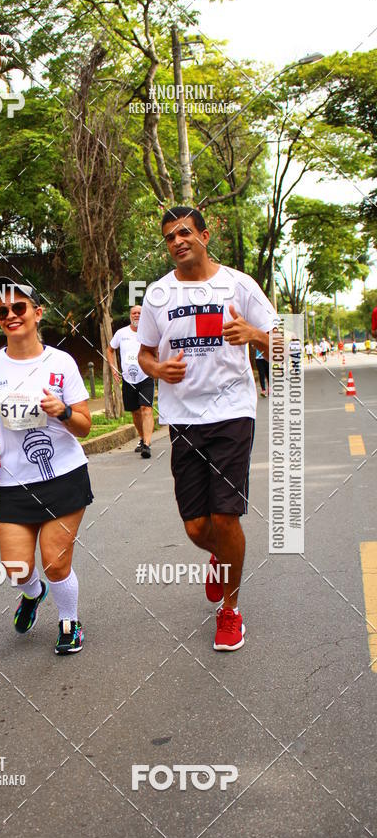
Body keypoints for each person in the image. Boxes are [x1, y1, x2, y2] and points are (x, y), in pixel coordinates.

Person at [137, 206, 279, 652]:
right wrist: (159, 368)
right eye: (169, 237)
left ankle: (231, 610)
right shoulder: (158, 294)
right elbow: (143, 354)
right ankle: (220, 558)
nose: (177, 242)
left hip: (233, 412)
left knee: (225, 515)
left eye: (184, 233)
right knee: (197, 528)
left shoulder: (239, 284)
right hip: (183, 419)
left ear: (204, 234)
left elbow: (286, 343)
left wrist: (252, 335)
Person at [0, 280, 93, 655]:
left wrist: (64, 411)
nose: (10, 316)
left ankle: (69, 622)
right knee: (16, 569)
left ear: (37, 313)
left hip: (64, 475)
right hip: (14, 481)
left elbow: (85, 425)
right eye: (2, 312)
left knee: (55, 564)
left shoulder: (61, 363)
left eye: (19, 308)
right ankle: (33, 593)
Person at [107, 305, 155, 457]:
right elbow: (110, 349)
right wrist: (113, 368)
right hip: (128, 379)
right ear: (130, 316)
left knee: (146, 409)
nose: (136, 315)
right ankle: (142, 438)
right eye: (134, 313)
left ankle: (147, 444)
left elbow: (158, 349)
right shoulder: (121, 333)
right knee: (135, 412)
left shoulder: (150, 332)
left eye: (140, 313)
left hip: (146, 376)